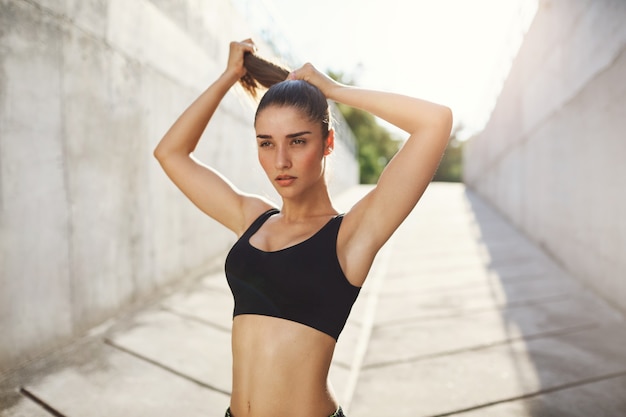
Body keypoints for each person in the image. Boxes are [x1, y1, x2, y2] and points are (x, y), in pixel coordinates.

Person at [154, 39, 452, 417]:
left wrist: (334, 91)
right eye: (266, 143)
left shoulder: (350, 236)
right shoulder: (252, 218)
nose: (281, 160)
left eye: (297, 141)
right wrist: (229, 76)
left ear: (328, 142)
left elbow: (435, 122)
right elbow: (170, 153)